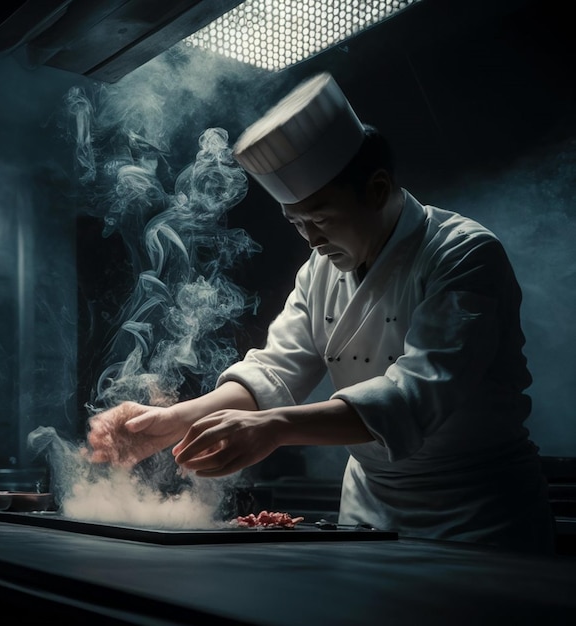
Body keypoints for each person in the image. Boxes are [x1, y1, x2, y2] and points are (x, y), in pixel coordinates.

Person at [87, 72, 555, 554]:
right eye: (296, 223)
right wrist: (172, 423)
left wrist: (278, 427)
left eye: (321, 219)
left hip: (477, 515)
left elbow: (415, 393)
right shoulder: (320, 269)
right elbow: (275, 371)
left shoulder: (463, 254)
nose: (310, 239)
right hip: (371, 512)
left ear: (376, 190)